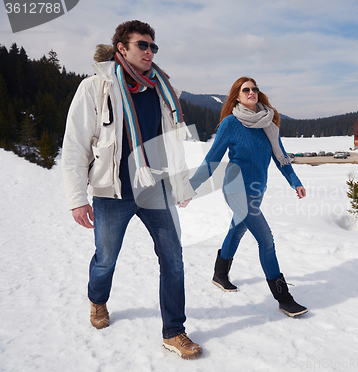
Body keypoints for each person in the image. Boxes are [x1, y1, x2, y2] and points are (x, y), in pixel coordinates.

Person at [61, 20, 202, 360]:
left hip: (155, 190)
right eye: (143, 45)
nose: (150, 52)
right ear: (122, 48)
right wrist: (78, 199)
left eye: (154, 47)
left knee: (173, 259)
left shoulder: (162, 90)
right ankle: (98, 299)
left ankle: (174, 331)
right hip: (113, 193)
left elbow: (172, 145)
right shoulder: (97, 88)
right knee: (106, 259)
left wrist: (181, 184)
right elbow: (76, 145)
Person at [190, 77, 308, 317]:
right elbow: (212, 159)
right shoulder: (230, 123)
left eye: (255, 89)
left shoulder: (268, 123)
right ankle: (283, 297)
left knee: (238, 229)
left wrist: (295, 181)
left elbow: (281, 158)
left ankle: (219, 274)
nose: (252, 92)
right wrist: (191, 186)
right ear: (237, 96)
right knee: (266, 239)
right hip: (235, 189)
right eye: (246, 89)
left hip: (257, 189)